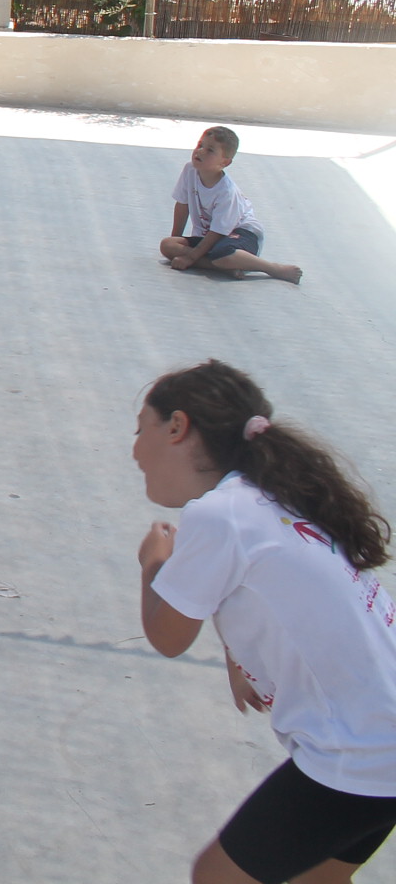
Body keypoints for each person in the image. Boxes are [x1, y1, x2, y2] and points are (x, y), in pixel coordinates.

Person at [134, 360, 396, 884]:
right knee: (317, 880)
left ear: (178, 426)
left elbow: (167, 636)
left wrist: (153, 564)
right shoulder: (277, 496)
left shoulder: (219, 515)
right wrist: (239, 657)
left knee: (217, 876)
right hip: (382, 739)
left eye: (141, 430)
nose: (136, 451)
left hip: (359, 753)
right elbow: (275, 593)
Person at [161, 125, 302, 284]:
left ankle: (272, 268)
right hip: (211, 237)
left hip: (242, 233)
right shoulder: (190, 170)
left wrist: (190, 258)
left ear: (225, 162)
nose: (200, 151)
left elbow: (218, 232)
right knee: (168, 245)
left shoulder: (226, 192)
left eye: (210, 150)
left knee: (223, 254)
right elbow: (182, 205)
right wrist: (176, 239)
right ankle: (224, 268)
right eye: (200, 145)